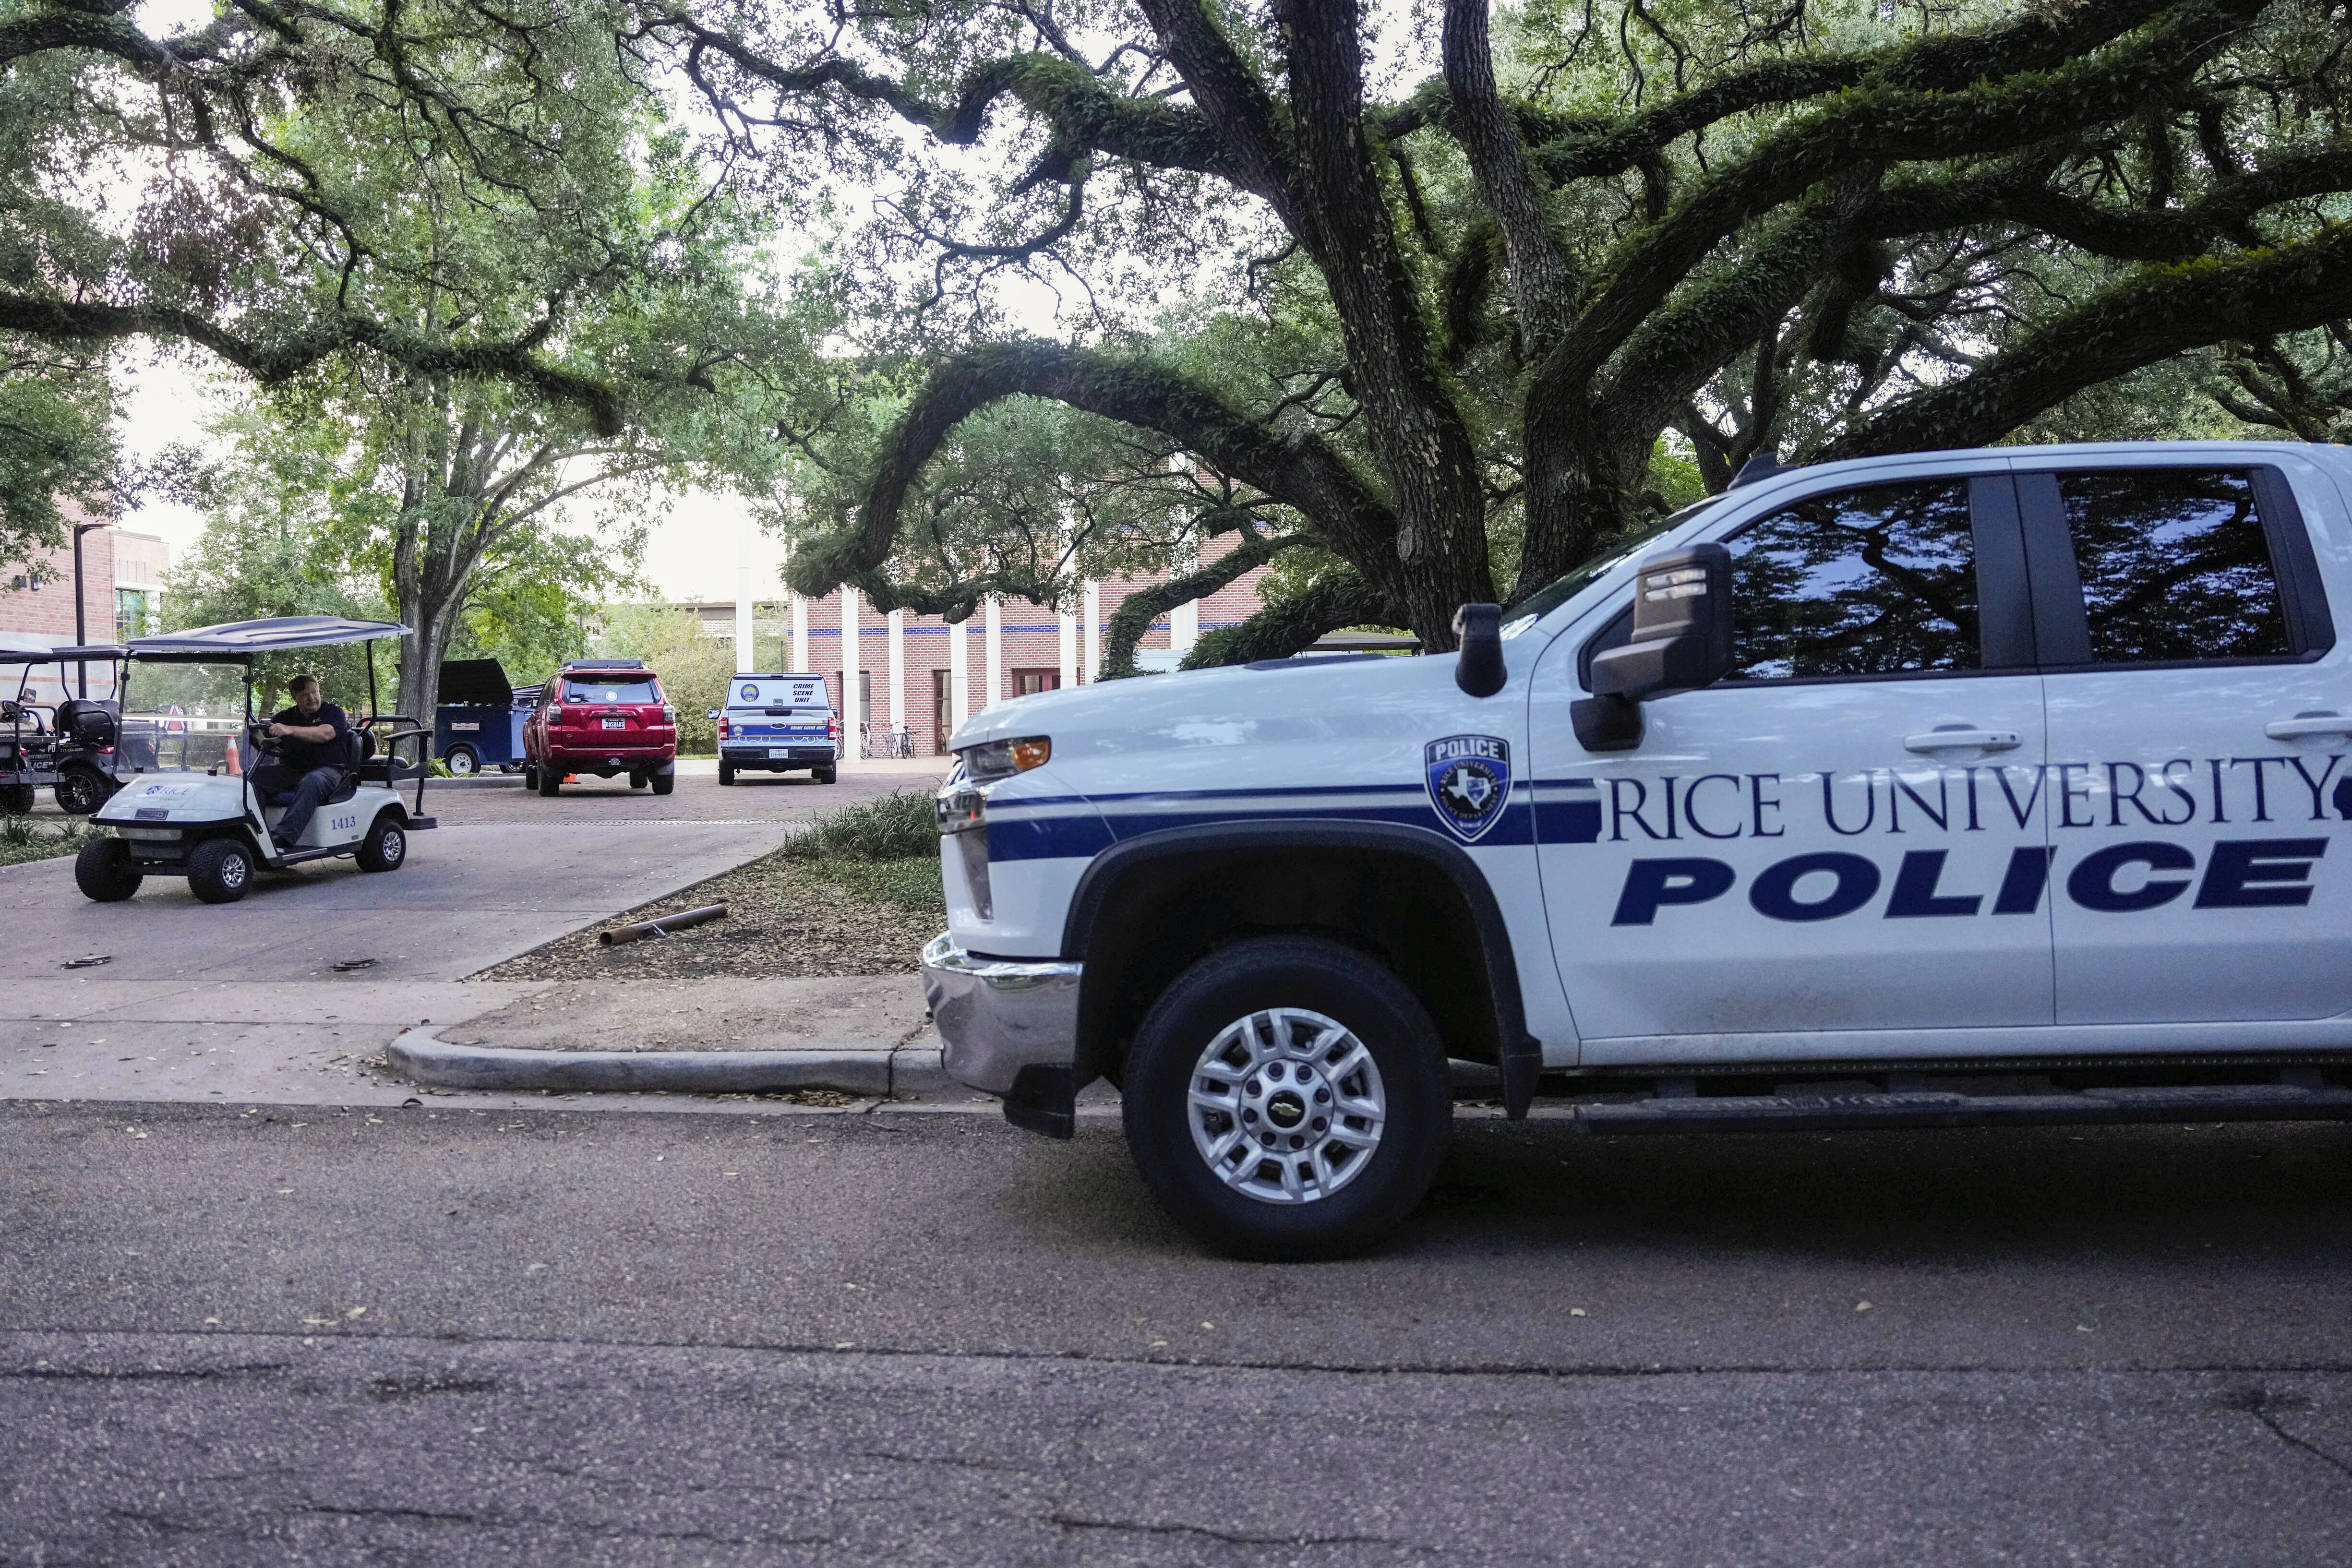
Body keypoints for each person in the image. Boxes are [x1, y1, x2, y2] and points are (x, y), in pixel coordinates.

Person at [249, 674, 352, 850]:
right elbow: (265, 735)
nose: (312, 698)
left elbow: (324, 734)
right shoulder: (286, 716)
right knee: (252, 778)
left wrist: (290, 730)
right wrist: (258, 734)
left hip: (329, 771)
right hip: (292, 770)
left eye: (315, 692)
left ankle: (284, 837)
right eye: (305, 695)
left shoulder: (333, 713)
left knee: (312, 781)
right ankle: (254, 831)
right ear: (295, 697)